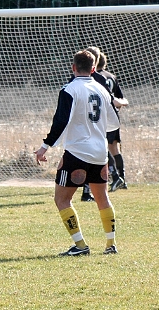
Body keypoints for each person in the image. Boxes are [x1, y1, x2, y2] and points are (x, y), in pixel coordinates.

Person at [34, 50, 120, 256]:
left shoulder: (69, 90)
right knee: (102, 198)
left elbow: (61, 121)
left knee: (62, 200)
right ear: (93, 69)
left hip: (77, 153)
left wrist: (45, 146)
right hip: (100, 153)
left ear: (73, 67)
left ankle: (80, 246)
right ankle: (110, 244)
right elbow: (114, 123)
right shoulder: (101, 89)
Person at [96, 52, 129, 191]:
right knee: (114, 148)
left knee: (102, 146)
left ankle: (115, 177)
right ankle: (122, 178)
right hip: (114, 117)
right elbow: (120, 99)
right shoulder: (112, 77)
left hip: (101, 117)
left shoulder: (95, 78)